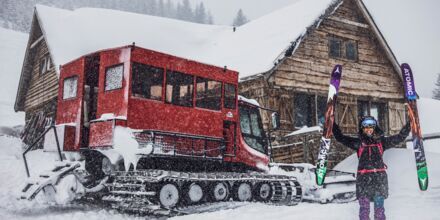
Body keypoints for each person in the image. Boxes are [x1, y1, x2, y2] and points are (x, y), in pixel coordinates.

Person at [332, 116, 410, 220]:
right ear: (362, 129)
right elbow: (340, 138)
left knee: (379, 210)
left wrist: (409, 126)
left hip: (379, 179)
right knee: (364, 210)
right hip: (363, 180)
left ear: (375, 127)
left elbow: (399, 137)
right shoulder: (358, 143)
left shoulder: (382, 142)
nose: (368, 129)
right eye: (366, 127)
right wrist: (332, 125)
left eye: (371, 127)